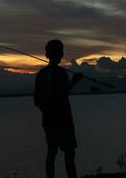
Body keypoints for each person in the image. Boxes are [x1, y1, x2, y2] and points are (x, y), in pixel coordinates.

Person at [34, 39, 82, 178]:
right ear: (58, 54)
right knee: (69, 153)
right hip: (64, 120)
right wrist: (74, 82)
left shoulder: (41, 74)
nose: (61, 55)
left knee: (52, 152)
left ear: (47, 55)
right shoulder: (61, 73)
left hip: (49, 121)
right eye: (60, 52)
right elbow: (63, 95)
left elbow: (37, 101)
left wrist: (48, 113)